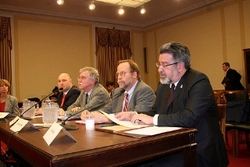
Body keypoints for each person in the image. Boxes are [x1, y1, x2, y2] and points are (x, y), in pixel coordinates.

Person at [116, 42, 229, 167]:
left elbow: (189, 117)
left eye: (164, 65)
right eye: (159, 64)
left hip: (198, 149)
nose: (159, 69)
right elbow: (155, 111)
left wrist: (152, 119)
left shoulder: (198, 81)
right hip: (171, 146)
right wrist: (135, 114)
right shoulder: (164, 85)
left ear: (180, 66)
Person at [80, 59, 156, 123]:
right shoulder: (118, 92)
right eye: (117, 74)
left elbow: (137, 116)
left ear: (134, 74)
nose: (119, 77)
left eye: (122, 73)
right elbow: (107, 109)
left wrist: (107, 119)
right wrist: (91, 114)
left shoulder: (144, 90)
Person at [0, 79, 19, 156]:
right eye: (1, 86)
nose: (4, 88)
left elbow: (16, 114)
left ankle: (5, 156)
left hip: (8, 125)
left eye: (6, 86)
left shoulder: (13, 99)